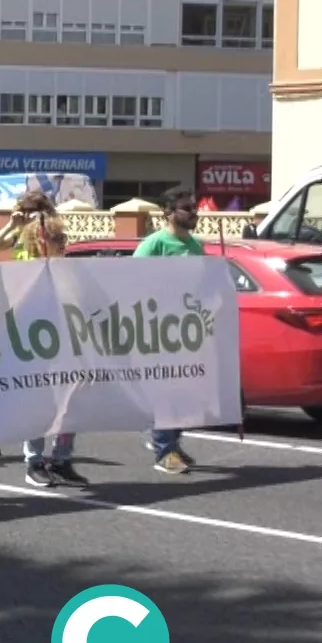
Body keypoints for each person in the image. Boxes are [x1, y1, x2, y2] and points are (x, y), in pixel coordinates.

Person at [16, 213, 88, 488]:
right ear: (39, 240)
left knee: (71, 406)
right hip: (37, 349)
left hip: (68, 345)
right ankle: (34, 462)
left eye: (63, 237)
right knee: (40, 406)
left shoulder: (68, 270)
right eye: (56, 238)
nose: (62, 243)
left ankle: (61, 460)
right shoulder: (24, 270)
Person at [138, 194, 206, 475]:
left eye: (195, 209)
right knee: (166, 391)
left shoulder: (195, 245)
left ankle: (172, 443)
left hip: (186, 329)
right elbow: (132, 278)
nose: (193, 214)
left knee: (183, 392)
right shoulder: (154, 244)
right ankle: (164, 450)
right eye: (187, 209)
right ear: (169, 212)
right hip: (159, 329)